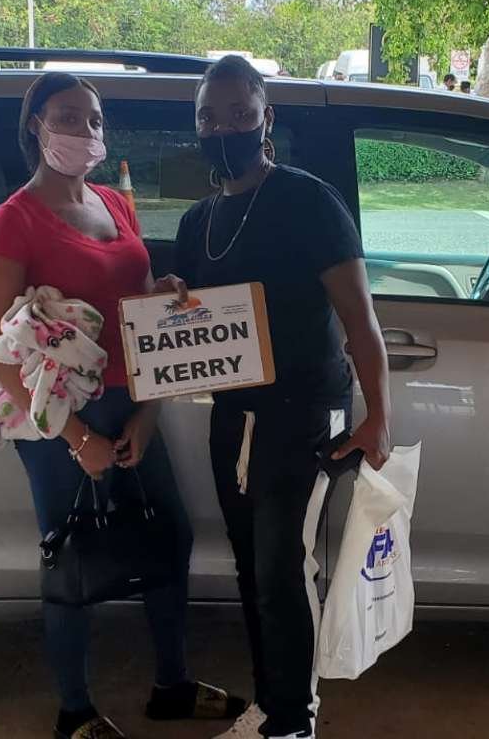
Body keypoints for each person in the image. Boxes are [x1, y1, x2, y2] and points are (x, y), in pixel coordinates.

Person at [0, 72, 245, 739]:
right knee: (72, 557)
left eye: (94, 120)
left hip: (132, 401)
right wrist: (76, 438)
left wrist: (163, 299)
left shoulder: (114, 204)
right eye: (68, 117)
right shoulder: (14, 218)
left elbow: (136, 305)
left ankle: (171, 686)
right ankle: (74, 712)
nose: (86, 131)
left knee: (169, 537)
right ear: (36, 125)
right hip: (61, 413)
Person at [159, 55, 392, 739]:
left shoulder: (307, 201)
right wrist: (167, 304)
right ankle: (270, 704)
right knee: (250, 568)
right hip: (233, 416)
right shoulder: (198, 220)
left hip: (304, 416)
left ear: (266, 119)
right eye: (207, 117)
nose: (221, 129)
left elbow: (360, 321)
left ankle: (293, 719)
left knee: (281, 571)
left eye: (238, 113)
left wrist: (378, 416)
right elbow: (192, 318)